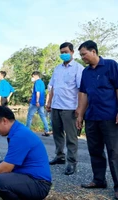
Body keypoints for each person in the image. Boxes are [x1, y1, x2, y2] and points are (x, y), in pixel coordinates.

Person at [0, 106, 51, 200]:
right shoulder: (18, 130)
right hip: (31, 178)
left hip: (39, 185)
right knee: (1, 164)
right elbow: (10, 164)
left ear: (4, 121)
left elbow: (7, 168)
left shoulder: (19, 135)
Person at [76, 40, 118, 199]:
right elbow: (84, 94)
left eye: (84, 54)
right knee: (95, 150)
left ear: (94, 51)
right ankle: (99, 180)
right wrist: (80, 114)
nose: (82, 57)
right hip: (92, 117)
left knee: (114, 152)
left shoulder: (111, 65)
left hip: (109, 116)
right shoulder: (86, 72)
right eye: (80, 55)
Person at [46, 42, 84, 175]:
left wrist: (80, 108)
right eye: (61, 52)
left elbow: (81, 90)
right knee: (57, 133)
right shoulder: (57, 69)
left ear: (72, 52)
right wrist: (49, 102)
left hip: (70, 107)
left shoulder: (78, 68)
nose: (63, 54)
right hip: (56, 105)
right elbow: (52, 87)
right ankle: (59, 156)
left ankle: (72, 162)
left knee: (71, 137)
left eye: (66, 52)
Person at [26, 71, 50, 136]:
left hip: (35, 103)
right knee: (43, 116)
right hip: (41, 102)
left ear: (36, 76)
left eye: (33, 76)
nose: (32, 77)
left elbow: (38, 92)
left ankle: (27, 131)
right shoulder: (42, 82)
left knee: (29, 116)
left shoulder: (36, 83)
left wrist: (36, 101)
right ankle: (47, 130)